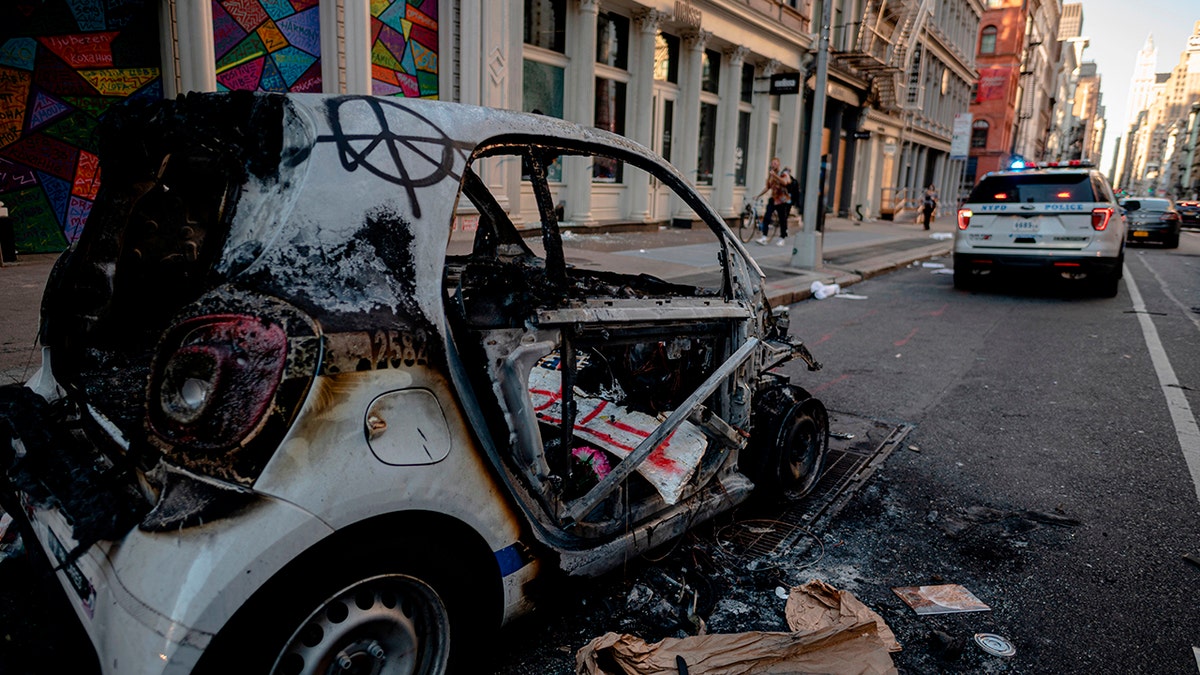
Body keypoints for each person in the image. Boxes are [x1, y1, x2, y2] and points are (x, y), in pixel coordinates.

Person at [754, 157, 790, 246]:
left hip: (781, 200)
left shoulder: (783, 173)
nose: (773, 165)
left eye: (775, 163)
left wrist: (775, 176)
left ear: (778, 165)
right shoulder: (771, 175)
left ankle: (782, 238)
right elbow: (767, 187)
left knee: (782, 219)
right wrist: (758, 195)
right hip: (773, 199)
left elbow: (784, 182)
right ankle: (764, 237)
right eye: (772, 163)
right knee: (767, 217)